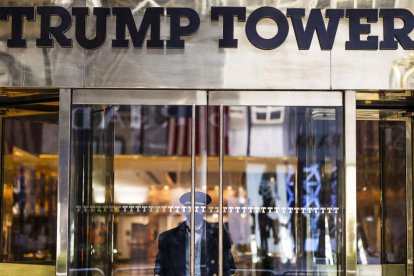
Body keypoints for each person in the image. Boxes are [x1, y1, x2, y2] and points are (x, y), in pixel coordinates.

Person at [154, 191, 236, 276]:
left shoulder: (219, 236)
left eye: (199, 208)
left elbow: (229, 270)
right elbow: (159, 271)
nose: (194, 212)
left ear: (205, 211)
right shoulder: (167, 238)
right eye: (190, 208)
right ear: (185, 210)